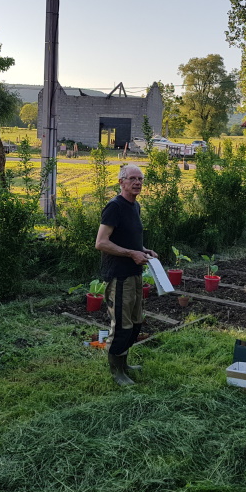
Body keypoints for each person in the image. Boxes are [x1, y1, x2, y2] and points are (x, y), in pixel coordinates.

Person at [95, 165, 158, 386]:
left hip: (135, 273)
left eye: (140, 179)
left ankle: (124, 363)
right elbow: (101, 242)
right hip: (120, 276)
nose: (138, 182)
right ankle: (117, 372)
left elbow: (131, 239)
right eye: (132, 178)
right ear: (121, 182)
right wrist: (131, 253)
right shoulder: (114, 207)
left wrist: (144, 250)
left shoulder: (135, 206)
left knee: (136, 322)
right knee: (122, 324)